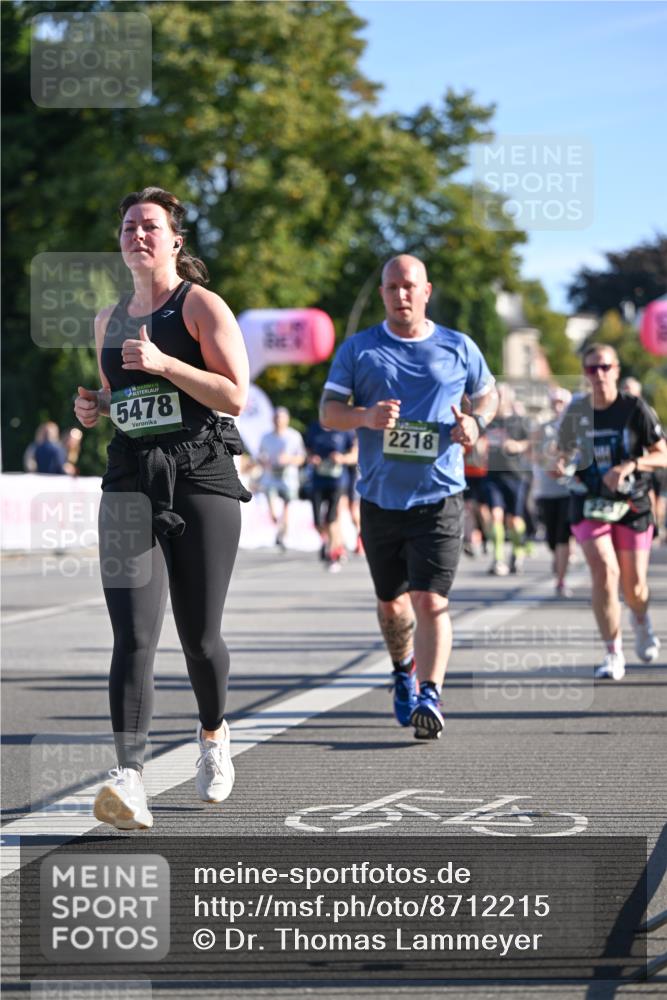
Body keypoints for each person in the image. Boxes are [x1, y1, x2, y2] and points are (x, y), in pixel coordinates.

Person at [74, 186, 251, 829]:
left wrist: (165, 363)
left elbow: (235, 395)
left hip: (201, 477)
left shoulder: (200, 305)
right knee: (133, 635)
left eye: (150, 225)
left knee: (199, 638)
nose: (137, 235)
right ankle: (130, 775)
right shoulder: (107, 318)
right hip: (129, 479)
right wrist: (94, 405)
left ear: (175, 240)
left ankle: (212, 736)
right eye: (128, 226)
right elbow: (119, 397)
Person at [320, 254, 497, 738]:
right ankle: (403, 669)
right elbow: (328, 412)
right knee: (392, 605)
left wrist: (475, 422)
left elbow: (488, 394)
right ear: (383, 293)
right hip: (380, 499)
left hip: (440, 495)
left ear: (426, 291)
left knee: (430, 599)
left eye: (409, 286)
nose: (401, 295)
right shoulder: (360, 349)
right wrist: (365, 418)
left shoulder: (458, 346)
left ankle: (431, 693)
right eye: (392, 287)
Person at [555, 344, 666, 680]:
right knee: (604, 570)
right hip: (589, 501)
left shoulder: (634, 408)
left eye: (604, 367)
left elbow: (662, 454)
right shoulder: (576, 411)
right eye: (591, 369)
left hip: (632, 504)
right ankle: (613, 652)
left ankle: (641, 620)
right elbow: (560, 453)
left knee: (634, 587)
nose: (599, 375)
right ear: (585, 374)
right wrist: (558, 465)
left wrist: (630, 465)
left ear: (616, 369)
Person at [483, 383, 531, 575]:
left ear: (509, 399)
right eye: (496, 395)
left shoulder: (519, 421)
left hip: (515, 475)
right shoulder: (489, 421)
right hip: (493, 474)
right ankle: (498, 559)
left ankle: (518, 551)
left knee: (514, 521)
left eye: (501, 395)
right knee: (495, 515)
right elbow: (479, 439)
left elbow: (532, 441)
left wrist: (517, 446)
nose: (498, 399)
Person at [532, 387, 574, 597]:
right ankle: (558, 559)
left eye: (561, 402)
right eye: (554, 402)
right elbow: (534, 455)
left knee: (562, 535)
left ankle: (561, 580)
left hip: (568, 490)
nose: (558, 406)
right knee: (551, 537)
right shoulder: (542, 428)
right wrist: (547, 459)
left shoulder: (574, 429)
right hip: (547, 491)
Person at [304, 419, 358, 572]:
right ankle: (331, 542)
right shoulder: (314, 428)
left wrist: (341, 458)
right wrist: (312, 458)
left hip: (337, 482)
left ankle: (333, 554)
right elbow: (307, 450)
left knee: (331, 518)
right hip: (318, 480)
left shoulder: (345, 429)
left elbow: (354, 455)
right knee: (317, 521)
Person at [258, 406, 306, 549]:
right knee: (272, 507)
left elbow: (301, 458)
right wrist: (263, 461)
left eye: (281, 418)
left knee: (287, 507)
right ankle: (278, 525)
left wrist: (289, 459)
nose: (278, 421)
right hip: (271, 475)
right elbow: (260, 456)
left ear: (287, 420)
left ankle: (283, 534)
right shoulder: (266, 437)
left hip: (288, 478)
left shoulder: (294, 436)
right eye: (276, 418)